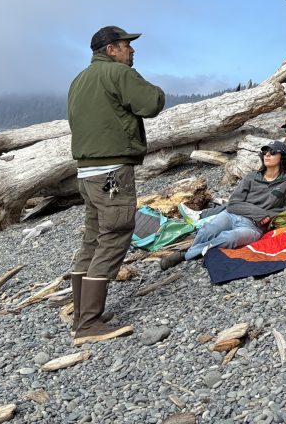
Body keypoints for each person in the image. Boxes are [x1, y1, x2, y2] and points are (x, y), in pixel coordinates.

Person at [67, 26, 165, 345]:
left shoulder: (79, 80)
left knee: (93, 237)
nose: (132, 51)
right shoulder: (118, 74)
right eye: (127, 46)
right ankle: (89, 323)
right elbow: (151, 104)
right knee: (115, 234)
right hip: (111, 171)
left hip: (86, 171)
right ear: (111, 49)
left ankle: (81, 313)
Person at [161, 141, 286, 268]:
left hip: (255, 226)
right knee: (207, 230)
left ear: (283, 157)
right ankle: (193, 252)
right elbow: (233, 204)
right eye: (265, 152)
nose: (267, 154)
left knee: (229, 238)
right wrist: (259, 213)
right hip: (232, 215)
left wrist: (268, 216)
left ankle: (185, 255)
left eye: (273, 152)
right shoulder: (251, 177)